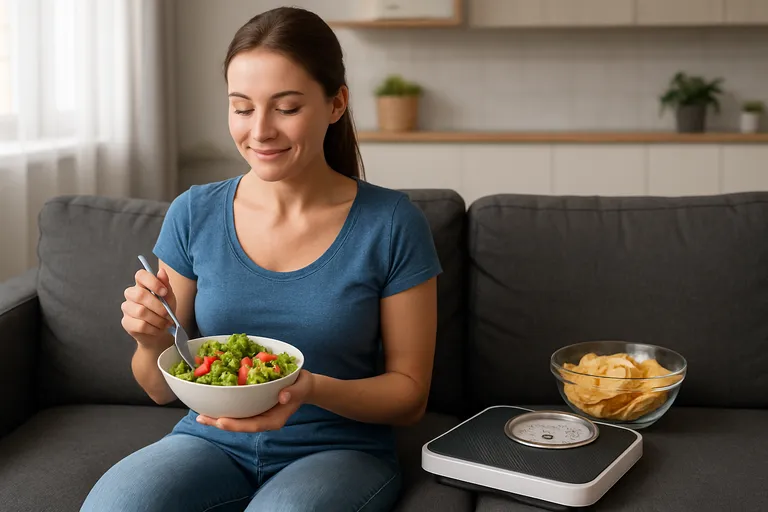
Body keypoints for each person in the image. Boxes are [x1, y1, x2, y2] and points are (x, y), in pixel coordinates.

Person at [80, 6, 441, 512]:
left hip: (339, 450)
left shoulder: (392, 224)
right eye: (242, 108)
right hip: (210, 441)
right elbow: (160, 390)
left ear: (336, 103)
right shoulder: (194, 213)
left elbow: (409, 397)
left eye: (286, 108)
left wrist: (306, 389)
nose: (261, 130)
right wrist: (152, 339)